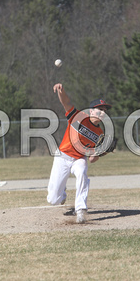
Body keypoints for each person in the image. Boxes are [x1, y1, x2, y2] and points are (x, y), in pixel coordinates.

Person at [47, 83, 113, 224]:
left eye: (104, 110)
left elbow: (92, 159)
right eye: (99, 109)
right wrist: (61, 90)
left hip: (79, 159)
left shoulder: (100, 134)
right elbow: (66, 102)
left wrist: (102, 152)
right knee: (53, 200)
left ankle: (81, 209)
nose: (103, 112)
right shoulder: (78, 117)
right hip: (62, 156)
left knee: (82, 172)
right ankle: (61, 192)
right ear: (91, 111)